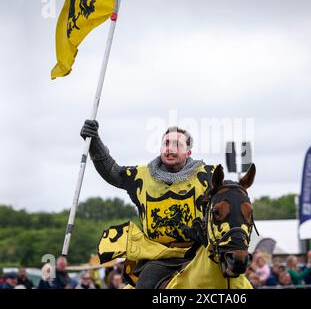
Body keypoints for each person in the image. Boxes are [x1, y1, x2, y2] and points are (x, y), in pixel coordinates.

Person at [81, 121, 216, 288]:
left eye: (177, 144)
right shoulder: (141, 176)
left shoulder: (209, 175)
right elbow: (112, 171)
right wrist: (94, 143)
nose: (170, 148)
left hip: (200, 253)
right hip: (160, 257)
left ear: (188, 152)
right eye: (166, 143)